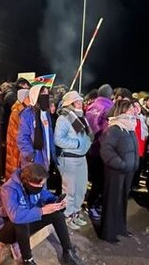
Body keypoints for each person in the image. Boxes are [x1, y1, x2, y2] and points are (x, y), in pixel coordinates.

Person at [0, 164, 90, 265]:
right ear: (27, 182)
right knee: (21, 220)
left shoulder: (33, 185)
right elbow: (15, 216)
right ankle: (28, 264)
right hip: (5, 230)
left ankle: (68, 253)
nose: (42, 187)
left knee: (56, 214)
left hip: (23, 225)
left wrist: (56, 202)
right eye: (39, 185)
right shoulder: (9, 189)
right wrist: (42, 210)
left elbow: (44, 194)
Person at [99, 100, 140, 243]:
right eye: (129, 109)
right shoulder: (115, 128)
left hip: (127, 171)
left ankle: (119, 228)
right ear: (122, 111)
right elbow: (106, 151)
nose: (133, 111)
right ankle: (108, 233)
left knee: (122, 200)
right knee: (112, 201)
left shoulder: (130, 127)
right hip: (116, 171)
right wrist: (121, 164)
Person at [54, 91, 92, 230]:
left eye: (80, 101)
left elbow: (85, 136)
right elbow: (58, 139)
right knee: (70, 190)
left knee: (81, 189)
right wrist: (77, 144)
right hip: (69, 159)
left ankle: (75, 212)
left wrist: (86, 145)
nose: (80, 103)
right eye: (76, 101)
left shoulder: (80, 117)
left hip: (81, 158)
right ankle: (66, 216)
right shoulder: (64, 118)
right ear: (69, 103)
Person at [85, 84, 114, 220]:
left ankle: (90, 203)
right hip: (100, 148)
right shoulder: (109, 107)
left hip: (89, 147)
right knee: (100, 180)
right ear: (110, 94)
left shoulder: (91, 106)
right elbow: (107, 130)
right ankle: (92, 206)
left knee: (94, 178)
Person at [17, 84, 56, 170]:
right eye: (43, 94)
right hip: (34, 159)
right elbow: (22, 138)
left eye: (47, 93)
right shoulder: (27, 114)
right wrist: (30, 155)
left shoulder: (46, 113)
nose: (46, 96)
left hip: (46, 156)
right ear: (36, 96)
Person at [5, 88, 30, 180]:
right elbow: (18, 131)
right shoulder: (17, 112)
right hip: (15, 145)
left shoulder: (23, 110)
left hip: (18, 144)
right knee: (14, 168)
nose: (30, 100)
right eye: (28, 98)